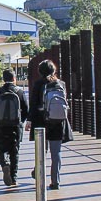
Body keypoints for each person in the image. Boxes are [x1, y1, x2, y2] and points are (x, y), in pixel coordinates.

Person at [25, 59, 70, 190]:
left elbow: (33, 104)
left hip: (41, 122)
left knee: (41, 151)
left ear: (40, 71)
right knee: (56, 153)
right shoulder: (61, 83)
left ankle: (38, 174)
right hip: (58, 122)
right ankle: (55, 181)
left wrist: (29, 120)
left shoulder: (38, 84)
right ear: (54, 70)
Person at [0, 69, 28, 187]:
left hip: (0, 126)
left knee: (0, 149)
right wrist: (20, 122)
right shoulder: (19, 92)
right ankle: (14, 178)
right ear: (14, 79)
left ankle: (5, 164)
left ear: (3, 79)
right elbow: (26, 110)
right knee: (14, 152)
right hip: (15, 127)